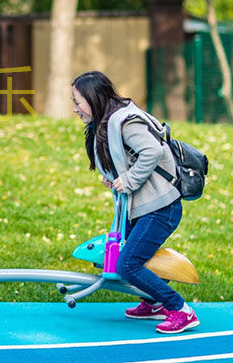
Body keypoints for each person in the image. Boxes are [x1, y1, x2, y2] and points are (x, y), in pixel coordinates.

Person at [70, 70, 199, 334]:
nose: (75, 109)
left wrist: (128, 180)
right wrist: (117, 176)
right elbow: (128, 159)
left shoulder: (126, 122)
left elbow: (152, 151)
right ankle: (153, 304)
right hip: (142, 208)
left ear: (94, 99)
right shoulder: (106, 124)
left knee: (127, 264)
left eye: (78, 101)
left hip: (161, 208)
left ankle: (180, 310)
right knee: (125, 258)